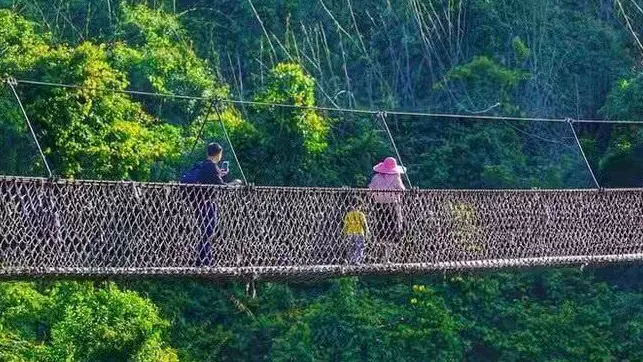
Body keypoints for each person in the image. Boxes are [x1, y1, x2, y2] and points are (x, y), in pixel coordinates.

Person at [195, 142, 228, 266]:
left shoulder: (203, 165)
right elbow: (221, 186)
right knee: (209, 231)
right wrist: (235, 183)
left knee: (206, 231)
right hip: (208, 203)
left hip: (198, 202)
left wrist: (220, 174)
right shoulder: (212, 166)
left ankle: (204, 259)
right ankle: (205, 261)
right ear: (218, 154)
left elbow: (212, 179)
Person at [368, 157, 406, 262]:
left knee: (382, 228)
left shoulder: (375, 177)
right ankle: (388, 257)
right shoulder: (395, 177)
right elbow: (402, 189)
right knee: (393, 229)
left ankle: (382, 254)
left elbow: (370, 189)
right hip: (392, 205)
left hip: (379, 206)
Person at [342, 197, 369, 264]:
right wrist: (367, 232)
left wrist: (344, 234)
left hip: (350, 233)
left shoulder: (348, 214)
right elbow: (364, 224)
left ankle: (351, 260)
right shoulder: (361, 214)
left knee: (350, 247)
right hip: (359, 233)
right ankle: (357, 260)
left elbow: (345, 226)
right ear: (359, 206)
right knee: (359, 247)